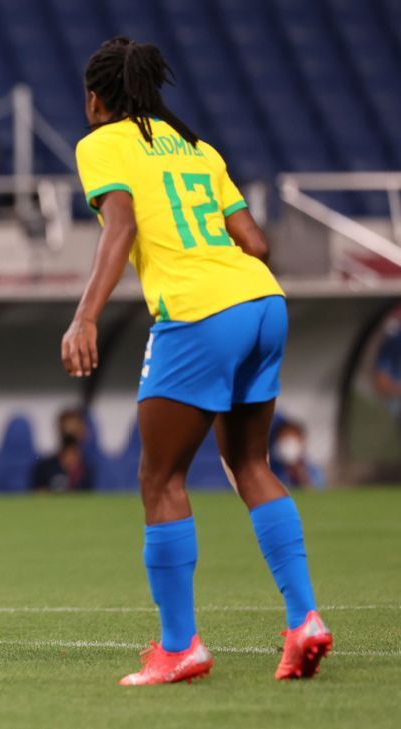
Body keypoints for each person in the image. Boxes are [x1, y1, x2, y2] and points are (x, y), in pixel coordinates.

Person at [62, 37, 332, 685]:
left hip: (197, 310)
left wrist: (86, 314)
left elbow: (121, 227)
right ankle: (304, 620)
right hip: (262, 301)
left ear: (95, 99)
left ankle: (180, 645)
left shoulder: (100, 144)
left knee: (160, 480)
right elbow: (256, 240)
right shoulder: (199, 148)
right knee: (249, 463)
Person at [31, 407, 94, 492]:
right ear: (59, 429)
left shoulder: (91, 467)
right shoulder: (45, 467)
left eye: (75, 427)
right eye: (66, 427)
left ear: (83, 432)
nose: (70, 431)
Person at [269, 420, 325, 489]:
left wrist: (299, 473)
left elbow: (318, 491)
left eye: (292, 437)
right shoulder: (270, 468)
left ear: (302, 441)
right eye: (284, 437)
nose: (288, 443)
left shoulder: (312, 469)